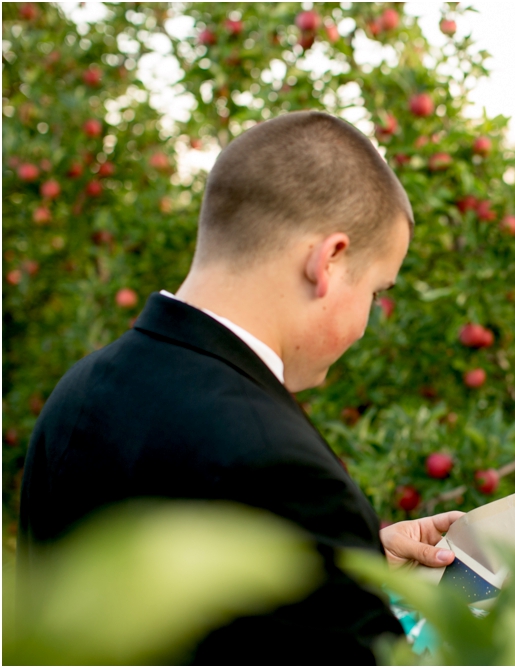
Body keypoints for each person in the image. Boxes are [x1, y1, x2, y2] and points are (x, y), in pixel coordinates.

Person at [18, 111, 461, 665]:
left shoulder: (79, 391)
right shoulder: (280, 467)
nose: (368, 321)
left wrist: (347, 564)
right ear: (328, 261)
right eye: (376, 291)